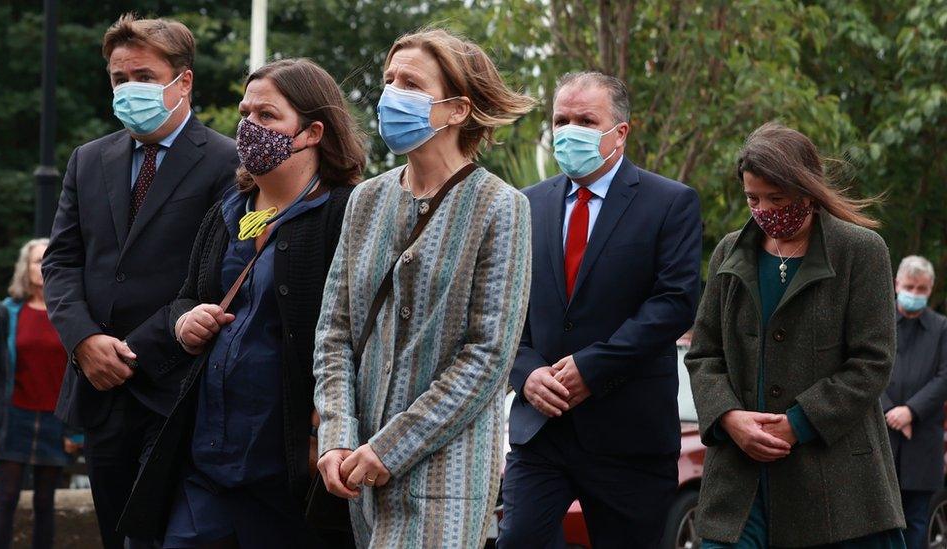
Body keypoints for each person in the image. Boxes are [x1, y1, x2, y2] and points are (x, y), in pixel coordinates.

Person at [118, 58, 366, 548]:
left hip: (287, 468)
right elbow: (191, 293)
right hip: (206, 460)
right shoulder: (228, 211)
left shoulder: (345, 214)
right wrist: (185, 320)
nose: (250, 127)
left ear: (314, 131)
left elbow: (357, 332)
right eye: (245, 113)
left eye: (268, 116)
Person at [313, 28, 533, 548]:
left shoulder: (501, 207)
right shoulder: (365, 200)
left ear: (456, 109)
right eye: (389, 79)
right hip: (359, 474)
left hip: (447, 478)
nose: (391, 93)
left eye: (409, 82)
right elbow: (334, 332)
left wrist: (390, 447)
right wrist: (336, 437)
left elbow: (488, 357)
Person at [41, 13, 238, 549]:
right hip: (98, 386)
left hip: (175, 385)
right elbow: (60, 262)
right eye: (119, 79)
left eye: (144, 77)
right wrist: (83, 340)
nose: (129, 89)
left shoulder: (227, 161)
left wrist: (131, 349)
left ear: (184, 80)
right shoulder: (88, 160)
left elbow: (219, 271)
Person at [497, 71, 703, 548]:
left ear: (621, 132)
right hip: (541, 429)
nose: (570, 131)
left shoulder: (670, 203)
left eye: (586, 120)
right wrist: (525, 373)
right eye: (561, 120)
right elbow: (503, 308)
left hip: (627, 434)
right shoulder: (525, 205)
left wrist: (590, 369)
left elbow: (674, 304)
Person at [686, 122, 906, 547]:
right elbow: (703, 354)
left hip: (835, 488)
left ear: (808, 190)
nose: (765, 209)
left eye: (777, 198)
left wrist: (798, 423)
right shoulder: (728, 253)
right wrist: (729, 418)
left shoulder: (862, 252)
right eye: (753, 198)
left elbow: (872, 362)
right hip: (737, 484)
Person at [0, 239, 81, 549]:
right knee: (6, 497)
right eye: (36, 261)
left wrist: (75, 428)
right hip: (13, 418)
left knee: (45, 502)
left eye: (48, 259)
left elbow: (79, 372)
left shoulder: (69, 312)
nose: (42, 266)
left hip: (54, 421)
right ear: (26, 268)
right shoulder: (8, 313)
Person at [883, 255, 947, 549]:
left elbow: (944, 378)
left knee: (917, 523)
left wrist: (910, 412)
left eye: (921, 289)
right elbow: (861, 367)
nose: (915, 294)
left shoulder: (941, 329)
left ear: (931, 288)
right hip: (881, 439)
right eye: (910, 286)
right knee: (879, 524)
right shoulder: (879, 322)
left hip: (922, 440)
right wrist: (889, 412)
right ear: (897, 284)